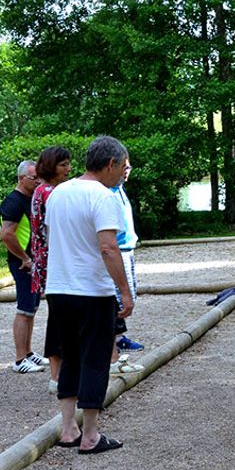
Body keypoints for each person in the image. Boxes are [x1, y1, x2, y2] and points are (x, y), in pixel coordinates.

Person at [45, 136, 134, 454]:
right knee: (95, 360)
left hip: (58, 289)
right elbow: (109, 247)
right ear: (110, 164)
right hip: (90, 291)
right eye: (122, 166)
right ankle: (91, 435)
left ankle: (68, 427)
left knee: (69, 357)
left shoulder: (58, 193)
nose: (123, 172)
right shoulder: (102, 196)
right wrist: (124, 291)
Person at [29, 146, 72, 393]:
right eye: (63, 165)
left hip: (45, 260)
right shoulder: (49, 193)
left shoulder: (41, 191)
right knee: (58, 319)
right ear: (50, 166)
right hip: (52, 261)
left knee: (58, 317)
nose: (68, 169)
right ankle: (57, 376)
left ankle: (59, 374)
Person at [0, 160, 49, 373]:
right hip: (23, 264)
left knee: (33, 307)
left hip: (33, 262)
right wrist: (25, 258)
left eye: (39, 177)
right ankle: (19, 359)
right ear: (21, 178)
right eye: (33, 177)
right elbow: (6, 235)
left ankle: (28, 353)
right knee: (24, 309)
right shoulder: (14, 201)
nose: (38, 181)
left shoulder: (32, 198)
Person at [109, 158, 145, 375]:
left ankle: (119, 336)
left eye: (129, 167)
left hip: (127, 248)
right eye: (125, 167)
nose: (127, 172)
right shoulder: (108, 192)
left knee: (129, 294)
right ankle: (113, 342)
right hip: (118, 249)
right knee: (119, 297)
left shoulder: (120, 188)